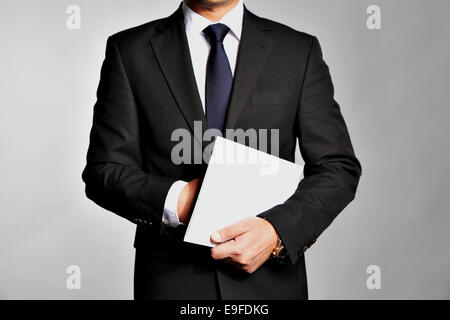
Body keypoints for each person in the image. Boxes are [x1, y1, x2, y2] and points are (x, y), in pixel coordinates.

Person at [82, 0, 361, 299]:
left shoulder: (297, 51)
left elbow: (337, 168)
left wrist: (277, 232)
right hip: (172, 283)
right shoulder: (129, 50)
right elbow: (103, 171)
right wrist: (177, 201)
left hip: (270, 282)